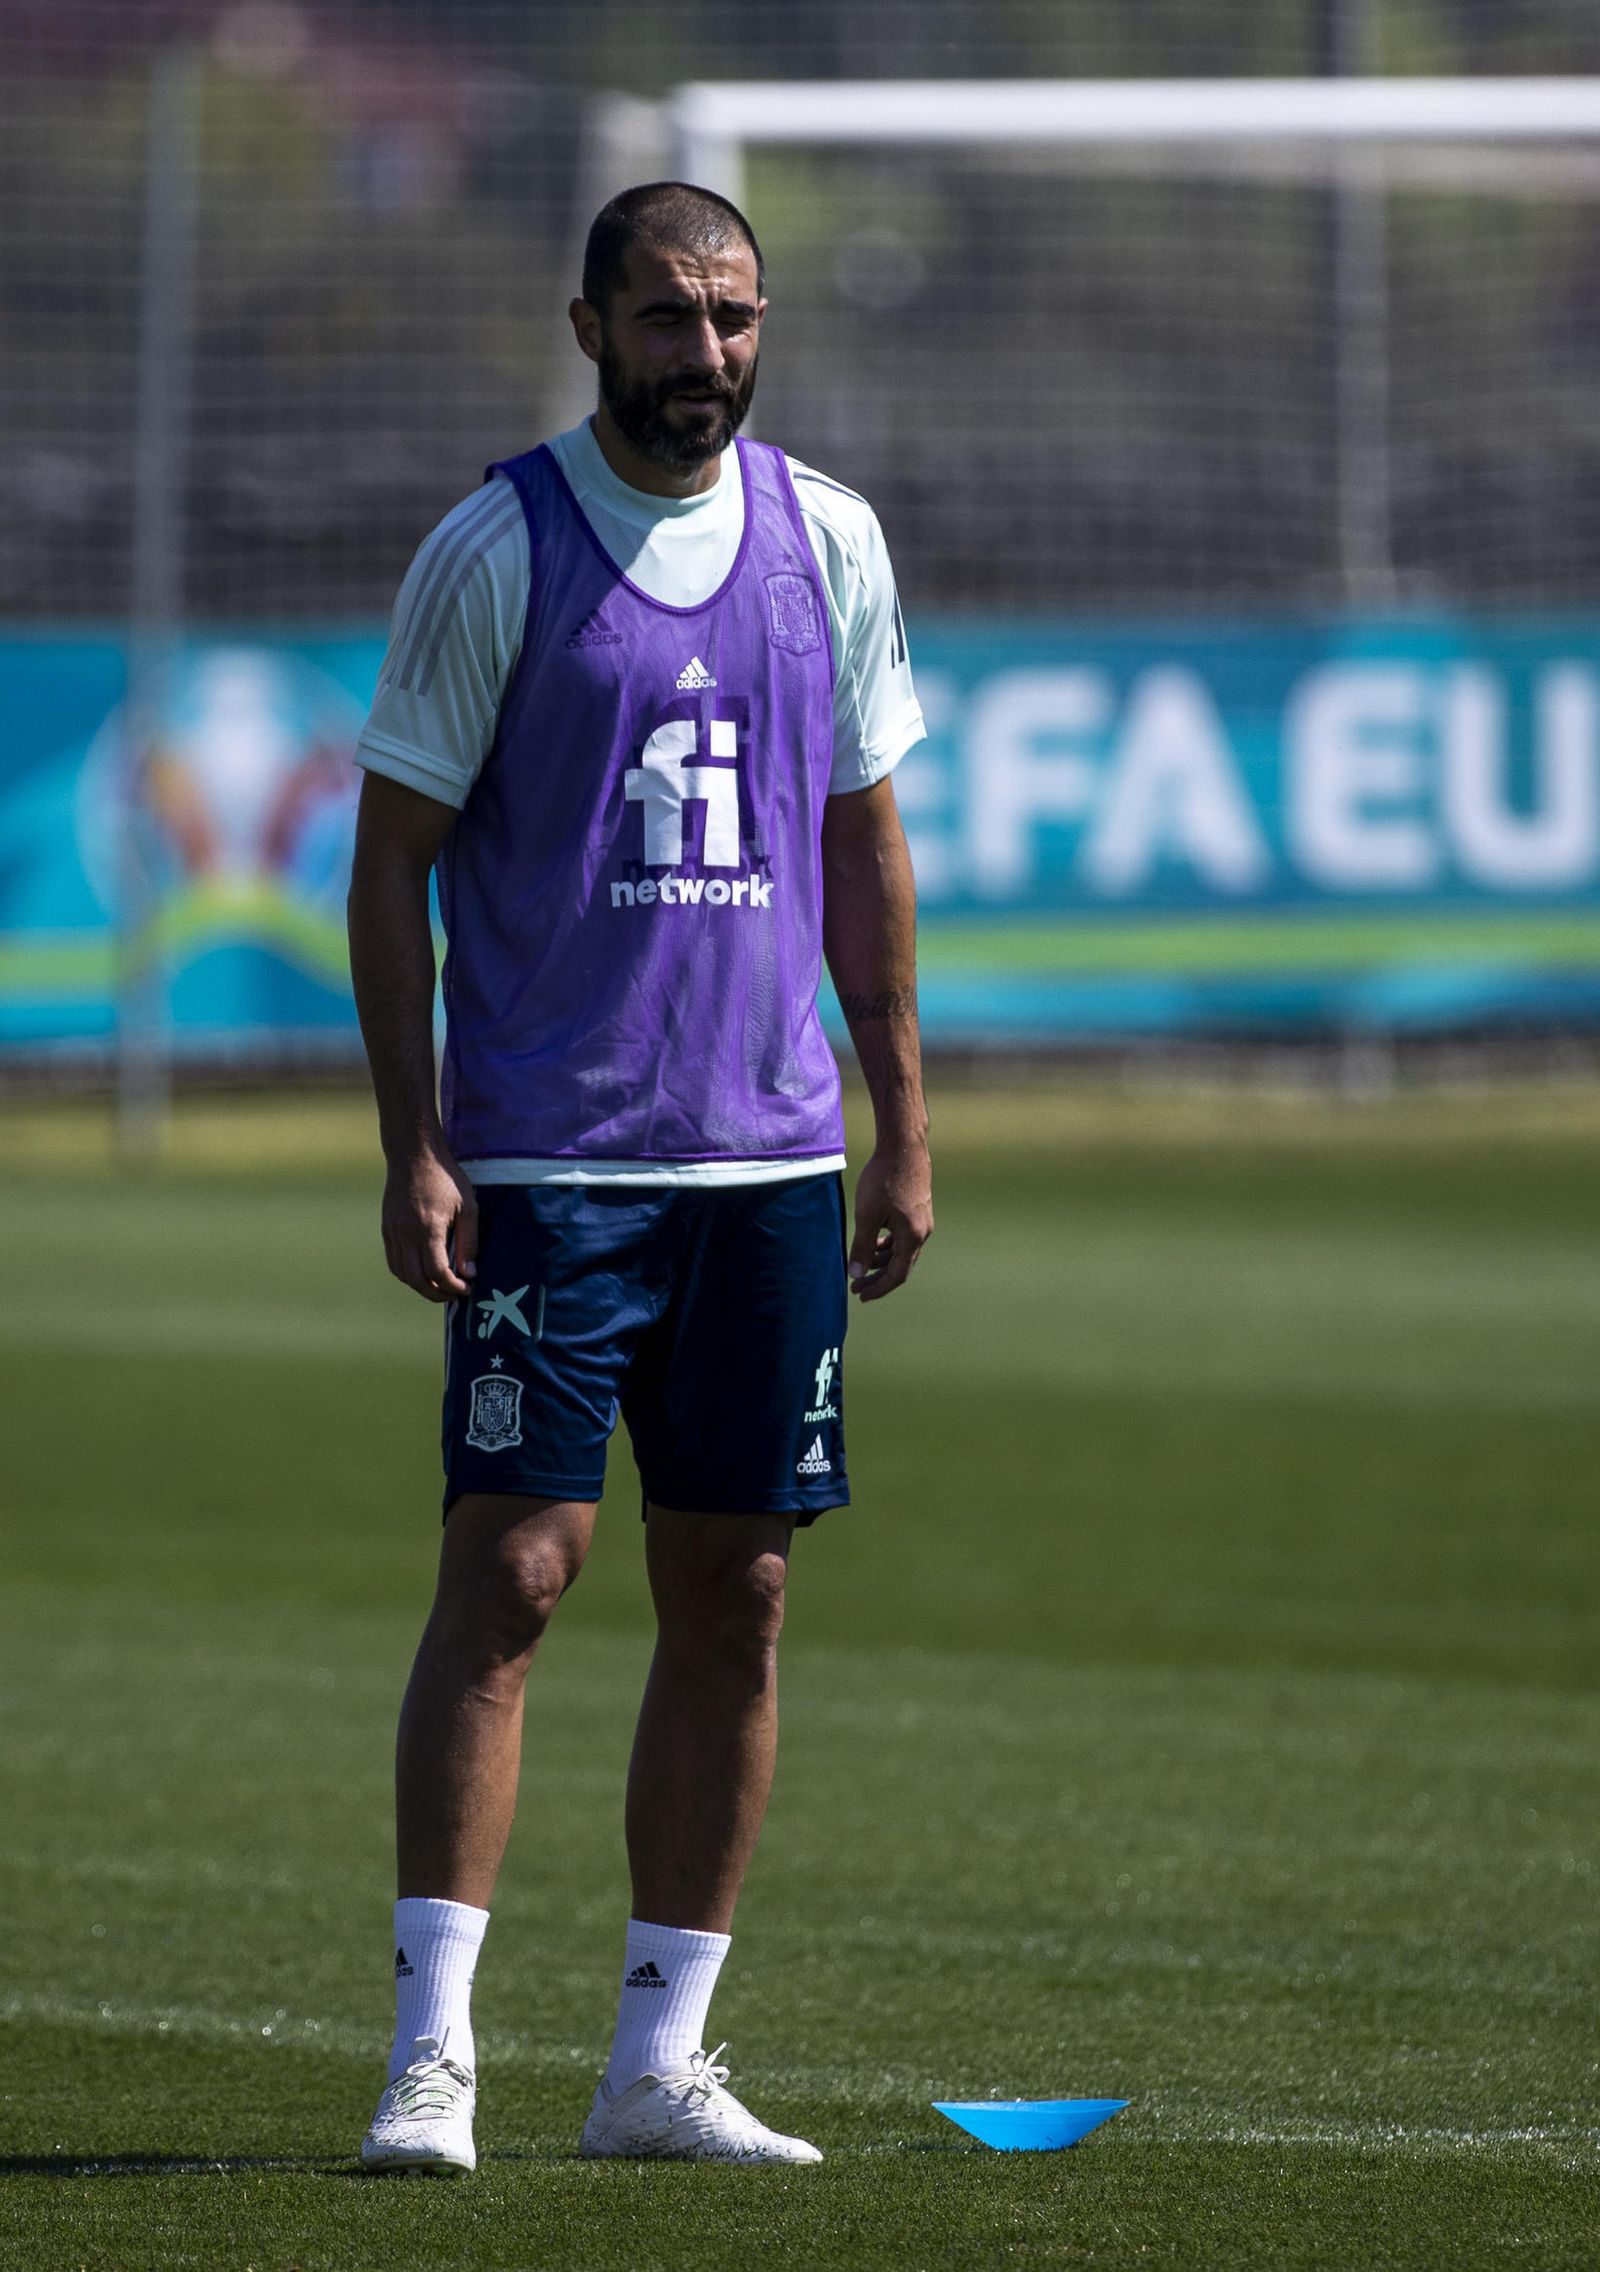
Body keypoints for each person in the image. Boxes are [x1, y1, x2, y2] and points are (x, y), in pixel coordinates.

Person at [347, 180, 932, 2174]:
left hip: (767, 1160)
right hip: (547, 1157)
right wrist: (413, 1139)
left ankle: (654, 2064)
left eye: (737, 317)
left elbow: (863, 845)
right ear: (587, 324)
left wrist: (900, 1119)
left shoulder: (827, 536)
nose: (709, 354)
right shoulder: (492, 546)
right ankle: (434, 2052)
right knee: (513, 1568)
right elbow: (390, 861)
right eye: (670, 319)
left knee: (740, 1587)